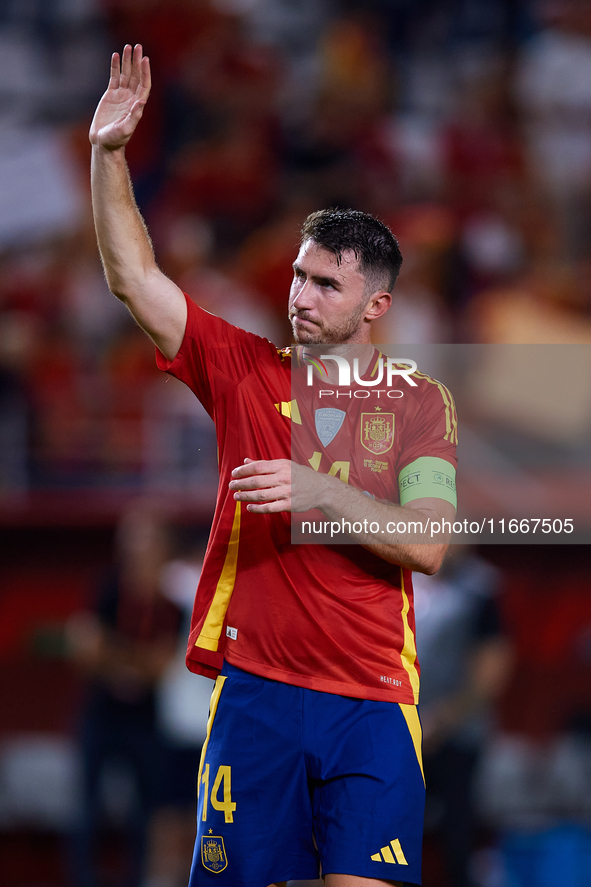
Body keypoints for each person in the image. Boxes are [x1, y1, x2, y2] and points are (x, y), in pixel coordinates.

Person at [89, 44, 458, 887]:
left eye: (325, 284)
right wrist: (108, 156)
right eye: (297, 275)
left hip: (371, 701)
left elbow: (429, 543)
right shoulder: (245, 368)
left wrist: (320, 488)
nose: (298, 295)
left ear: (376, 305)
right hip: (257, 694)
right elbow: (133, 277)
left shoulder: (419, 403)